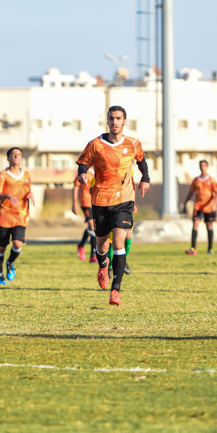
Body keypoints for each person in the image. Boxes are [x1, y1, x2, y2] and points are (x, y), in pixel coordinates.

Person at [76, 106, 150, 305]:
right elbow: (83, 163)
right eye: (112, 118)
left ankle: (115, 290)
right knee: (102, 246)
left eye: (118, 118)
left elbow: (141, 161)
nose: (115, 122)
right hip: (101, 199)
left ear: (124, 121)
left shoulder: (133, 143)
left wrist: (145, 178)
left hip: (124, 199)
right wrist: (82, 174)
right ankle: (102, 265)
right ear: (107, 121)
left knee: (119, 241)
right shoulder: (95, 144)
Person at [0, 147, 35, 285]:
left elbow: (27, 190)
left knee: (17, 244)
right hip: (4, 215)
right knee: (2, 246)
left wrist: (30, 194)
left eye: (19, 155)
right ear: (8, 158)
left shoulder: (26, 175)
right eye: (14, 155)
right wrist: (7, 196)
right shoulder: (2, 175)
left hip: (20, 215)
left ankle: (10, 262)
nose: (17, 157)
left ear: (21, 158)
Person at [182, 160, 217, 255]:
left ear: (207, 167)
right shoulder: (196, 180)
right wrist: (185, 203)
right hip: (198, 206)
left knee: (209, 226)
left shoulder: (211, 180)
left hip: (209, 206)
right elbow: (191, 192)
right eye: (201, 165)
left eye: (204, 165)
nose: (202, 167)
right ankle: (193, 248)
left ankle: (210, 249)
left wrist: (214, 204)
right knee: (195, 224)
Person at [72, 167, 96, 262]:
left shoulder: (99, 169)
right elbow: (76, 186)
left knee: (94, 227)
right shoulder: (84, 170)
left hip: (96, 202)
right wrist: (74, 203)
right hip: (85, 201)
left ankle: (82, 245)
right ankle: (92, 254)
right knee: (92, 225)